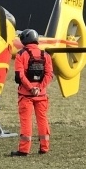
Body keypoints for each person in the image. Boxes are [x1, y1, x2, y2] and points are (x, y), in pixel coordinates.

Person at [11, 28, 54, 157]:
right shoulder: (45, 55)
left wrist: (30, 88)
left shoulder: (21, 54)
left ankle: (24, 150)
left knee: (26, 121)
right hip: (41, 95)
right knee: (42, 120)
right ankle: (44, 147)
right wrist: (39, 88)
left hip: (26, 95)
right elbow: (49, 75)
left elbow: (20, 75)